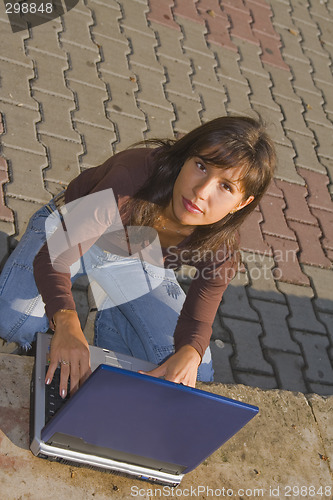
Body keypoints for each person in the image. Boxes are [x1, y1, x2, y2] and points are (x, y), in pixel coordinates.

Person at [0, 116, 276, 398]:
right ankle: (46, 342)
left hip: (136, 260)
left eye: (226, 186)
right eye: (201, 166)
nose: (201, 192)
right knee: (13, 319)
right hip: (68, 231)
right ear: (185, 157)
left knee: (192, 371)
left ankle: (106, 319)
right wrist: (66, 320)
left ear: (242, 203)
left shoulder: (222, 247)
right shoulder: (127, 183)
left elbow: (197, 320)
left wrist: (191, 352)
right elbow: (53, 256)